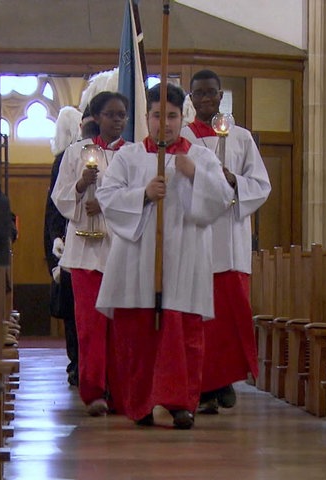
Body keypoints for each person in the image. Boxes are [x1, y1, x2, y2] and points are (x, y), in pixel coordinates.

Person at [95, 83, 234, 429]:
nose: (165, 124)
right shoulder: (129, 156)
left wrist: (194, 175)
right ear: (147, 118)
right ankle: (139, 402)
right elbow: (108, 197)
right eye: (157, 115)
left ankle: (180, 402)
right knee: (138, 334)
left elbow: (220, 200)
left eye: (172, 116)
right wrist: (142, 194)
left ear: (181, 117)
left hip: (184, 255)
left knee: (180, 333)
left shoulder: (200, 156)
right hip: (138, 259)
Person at [181, 69, 271, 413]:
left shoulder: (241, 137)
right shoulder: (184, 138)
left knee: (231, 312)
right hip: (198, 233)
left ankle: (226, 379)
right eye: (199, 94)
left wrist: (233, 181)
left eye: (211, 93)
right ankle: (205, 384)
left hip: (230, 238)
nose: (205, 99)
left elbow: (260, 184)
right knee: (201, 314)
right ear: (191, 98)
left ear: (221, 97)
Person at [51, 91, 130, 416]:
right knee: (90, 325)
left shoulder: (133, 155)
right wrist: (82, 185)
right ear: (97, 117)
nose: (118, 120)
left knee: (120, 324)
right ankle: (94, 390)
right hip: (84, 251)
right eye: (111, 114)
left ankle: (121, 389)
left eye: (122, 115)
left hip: (120, 249)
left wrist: (109, 203)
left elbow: (141, 197)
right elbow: (60, 198)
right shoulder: (76, 152)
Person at [44, 106, 83, 387]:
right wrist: (58, 237)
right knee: (72, 307)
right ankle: (76, 363)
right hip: (70, 236)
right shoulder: (64, 160)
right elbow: (56, 203)